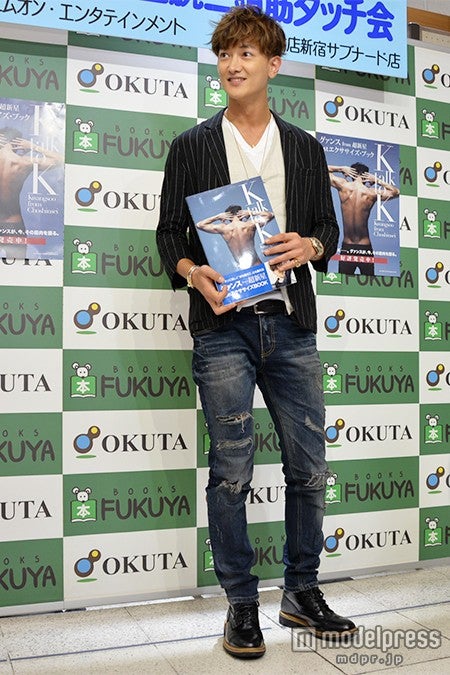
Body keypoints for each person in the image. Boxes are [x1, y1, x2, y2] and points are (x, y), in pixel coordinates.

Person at [157, 6, 357, 659]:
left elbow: (329, 231)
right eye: (224, 53)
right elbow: (169, 235)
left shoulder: (304, 147)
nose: (232, 64)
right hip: (224, 329)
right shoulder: (191, 146)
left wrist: (311, 245)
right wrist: (193, 272)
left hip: (290, 325)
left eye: (245, 53)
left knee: (310, 468)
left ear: (273, 64)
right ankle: (241, 604)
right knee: (231, 471)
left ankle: (301, 592)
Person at [0, 127, 63, 259]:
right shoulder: (23, 162)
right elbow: (60, 159)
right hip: (14, 224)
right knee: (18, 266)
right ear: (16, 144)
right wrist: (33, 146)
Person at [328, 162, 400, 275]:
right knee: (369, 284)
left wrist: (341, 168)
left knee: (344, 284)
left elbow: (321, 170)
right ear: (366, 176)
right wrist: (377, 180)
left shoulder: (343, 186)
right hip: (365, 247)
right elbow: (396, 192)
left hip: (347, 246)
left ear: (351, 174)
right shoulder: (371, 193)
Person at [195, 204, 274, 268]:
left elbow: (199, 225)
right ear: (241, 213)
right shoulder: (249, 225)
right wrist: (251, 212)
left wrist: (217, 217)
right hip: (256, 264)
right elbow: (270, 215)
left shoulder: (224, 229)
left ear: (227, 217)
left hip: (242, 268)